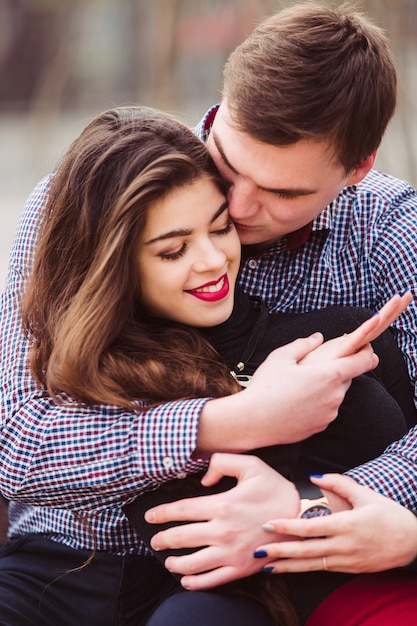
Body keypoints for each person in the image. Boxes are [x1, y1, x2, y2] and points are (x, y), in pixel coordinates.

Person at [0, 104, 393, 626]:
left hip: (216, 580)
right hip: (55, 562)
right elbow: (18, 446)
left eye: (221, 227)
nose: (211, 260)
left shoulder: (309, 327)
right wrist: (241, 419)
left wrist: (303, 505)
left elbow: (381, 437)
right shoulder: (69, 244)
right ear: (114, 266)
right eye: (172, 251)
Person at [132, 0, 417, 616]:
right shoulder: (104, 191)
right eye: (227, 163)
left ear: (358, 169)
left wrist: (302, 508)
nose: (235, 207)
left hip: (288, 579)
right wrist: (239, 420)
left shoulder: (392, 229)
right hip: (74, 553)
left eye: (283, 193)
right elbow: (22, 435)